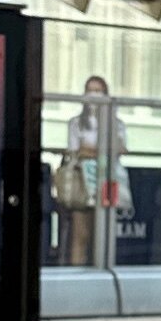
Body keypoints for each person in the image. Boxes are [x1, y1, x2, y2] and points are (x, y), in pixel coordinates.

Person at [55, 76, 126, 270]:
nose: (94, 95)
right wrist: (102, 150)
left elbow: (120, 148)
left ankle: (102, 270)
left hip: (108, 179)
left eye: (98, 90)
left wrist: (92, 150)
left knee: (103, 232)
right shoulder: (76, 123)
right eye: (90, 90)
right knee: (81, 232)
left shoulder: (116, 123)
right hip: (83, 180)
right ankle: (76, 273)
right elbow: (76, 150)